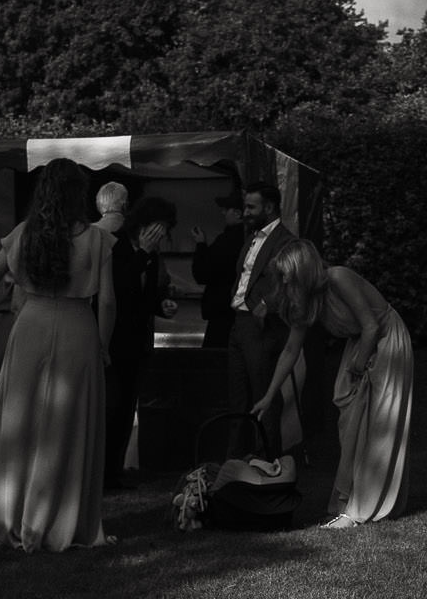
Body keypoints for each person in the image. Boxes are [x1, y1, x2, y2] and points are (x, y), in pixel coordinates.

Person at [0, 158, 114, 551]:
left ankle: (12, 512)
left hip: (31, 326)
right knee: (68, 426)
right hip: (78, 327)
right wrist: (104, 345)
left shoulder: (25, 234)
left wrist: (18, 278)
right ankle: (63, 518)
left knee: (19, 425)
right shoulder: (96, 238)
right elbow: (108, 303)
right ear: (79, 195)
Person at [253, 240, 412, 525]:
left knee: (379, 423)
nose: (284, 281)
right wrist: (269, 395)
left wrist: (358, 365)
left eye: (287, 274)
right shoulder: (306, 300)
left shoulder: (338, 277)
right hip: (361, 344)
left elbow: (372, 325)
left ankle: (361, 508)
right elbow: (290, 351)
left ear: (302, 270)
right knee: (350, 423)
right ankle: (349, 500)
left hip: (387, 342)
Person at [106, 194, 177, 489]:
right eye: (158, 228)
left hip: (136, 341)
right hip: (114, 339)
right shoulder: (117, 246)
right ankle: (105, 469)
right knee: (112, 405)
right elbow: (119, 286)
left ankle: (116, 468)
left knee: (126, 407)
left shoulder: (151, 255)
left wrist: (162, 306)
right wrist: (143, 254)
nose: (161, 236)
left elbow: (145, 296)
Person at [223, 184, 298, 457]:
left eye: (251, 207)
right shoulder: (252, 238)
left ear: (269, 207)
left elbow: (294, 281)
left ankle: (267, 461)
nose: (246, 213)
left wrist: (268, 304)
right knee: (238, 398)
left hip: (261, 327)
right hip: (239, 323)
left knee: (263, 397)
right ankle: (236, 461)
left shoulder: (286, 241)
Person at [189, 194, 246, 351]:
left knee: (215, 359)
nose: (223, 213)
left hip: (223, 311)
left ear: (238, 213)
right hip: (241, 311)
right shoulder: (251, 239)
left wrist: (201, 245)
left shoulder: (228, 241)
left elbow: (203, 273)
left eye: (226, 210)